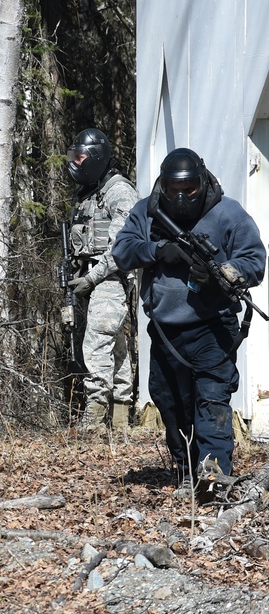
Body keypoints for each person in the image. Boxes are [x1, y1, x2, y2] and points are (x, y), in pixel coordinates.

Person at [112, 148, 266, 494]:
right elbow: (122, 250)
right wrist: (158, 251)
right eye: (173, 189)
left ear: (203, 182)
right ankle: (186, 472)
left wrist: (224, 271)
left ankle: (212, 478)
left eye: (190, 189)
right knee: (171, 404)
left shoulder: (229, 214)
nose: (181, 197)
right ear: (163, 187)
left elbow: (254, 259)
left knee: (211, 402)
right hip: (166, 331)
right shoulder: (147, 213)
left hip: (214, 326)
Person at [64, 128, 138, 433]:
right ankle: (121, 423)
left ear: (95, 158)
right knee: (116, 348)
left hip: (112, 279)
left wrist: (91, 278)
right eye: (74, 157)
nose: (75, 163)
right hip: (98, 278)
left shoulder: (119, 192)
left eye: (80, 158)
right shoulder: (93, 191)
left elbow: (121, 248)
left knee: (96, 344)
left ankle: (93, 423)